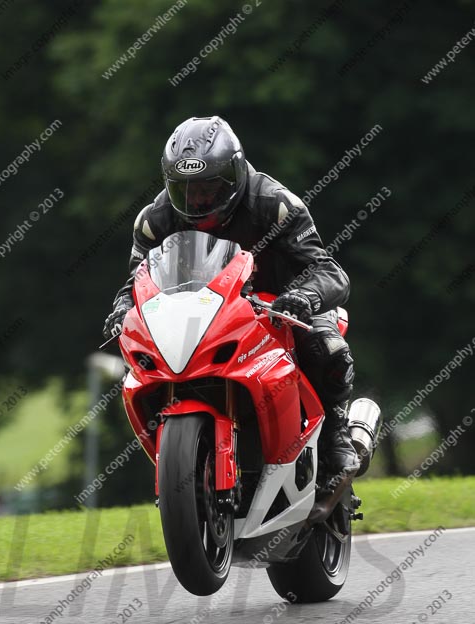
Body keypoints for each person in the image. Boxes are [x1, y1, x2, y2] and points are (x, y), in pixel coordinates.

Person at [103, 116, 359, 476]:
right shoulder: (154, 220)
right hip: (203, 313)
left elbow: (329, 271)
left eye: (208, 188)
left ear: (236, 175)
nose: (196, 200)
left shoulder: (275, 204)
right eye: (185, 190)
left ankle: (335, 431)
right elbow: (135, 281)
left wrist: (304, 296)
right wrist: (123, 307)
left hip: (282, 303)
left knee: (326, 348)